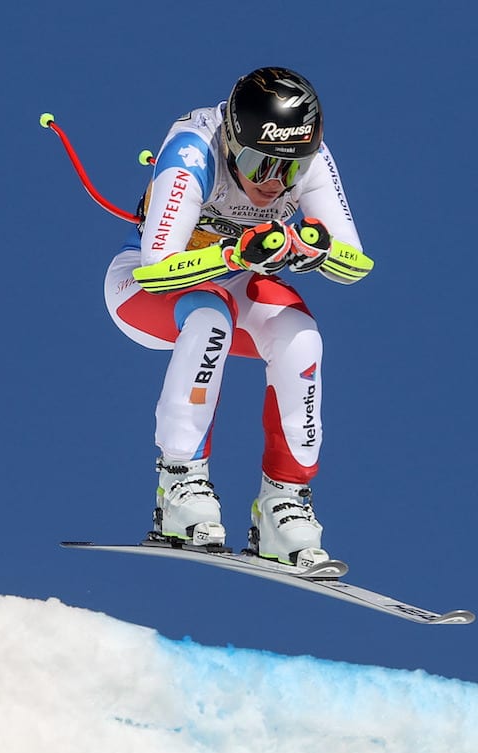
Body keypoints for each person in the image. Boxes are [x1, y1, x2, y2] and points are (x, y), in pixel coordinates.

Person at [102, 67, 372, 568]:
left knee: (301, 335)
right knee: (211, 317)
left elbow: (356, 264)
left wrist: (317, 252)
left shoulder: (308, 158)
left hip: (231, 279)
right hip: (145, 286)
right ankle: (179, 484)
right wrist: (236, 256)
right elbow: (156, 269)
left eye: (289, 169)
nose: (274, 182)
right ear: (230, 143)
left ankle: (282, 506)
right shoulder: (192, 149)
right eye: (257, 163)